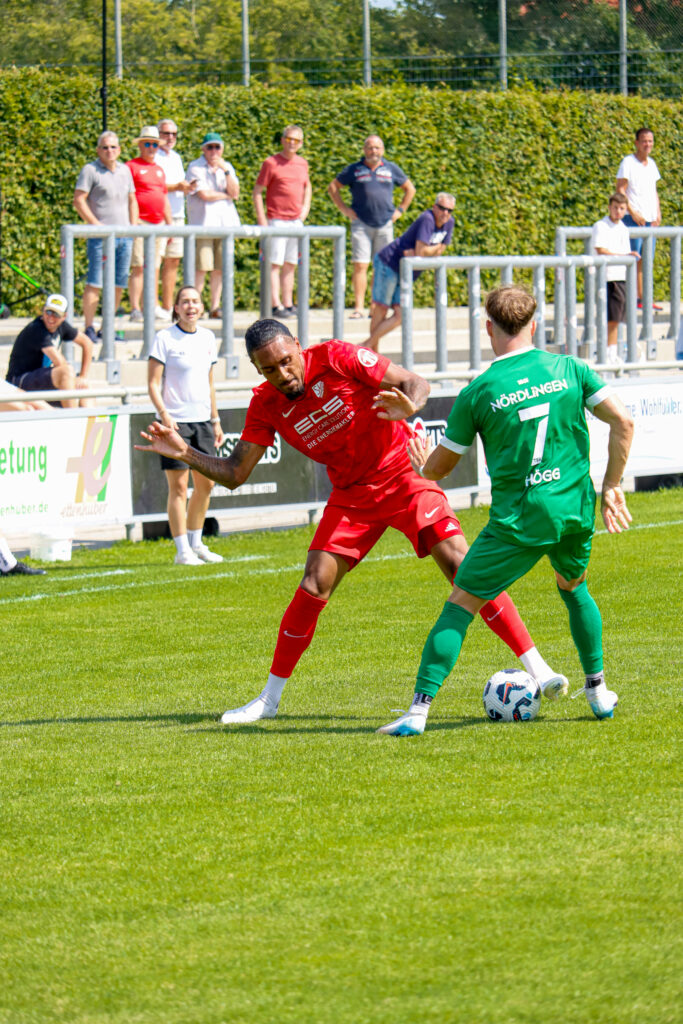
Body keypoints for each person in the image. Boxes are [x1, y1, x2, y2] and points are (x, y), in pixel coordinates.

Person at [137, 318, 568, 725]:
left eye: (287, 361)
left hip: (403, 473)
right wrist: (185, 453)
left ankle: (539, 668)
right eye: (269, 369)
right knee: (314, 583)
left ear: (298, 348)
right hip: (352, 496)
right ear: (257, 369)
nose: (283, 374)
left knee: (463, 565)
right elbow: (235, 473)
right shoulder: (265, 404)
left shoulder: (337, 357)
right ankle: (268, 700)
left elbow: (414, 383)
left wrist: (409, 405)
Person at [379, 285, 634, 737]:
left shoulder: (479, 391)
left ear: (488, 327)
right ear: (534, 324)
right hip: (573, 512)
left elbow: (438, 468)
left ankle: (417, 712)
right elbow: (623, 421)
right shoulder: (571, 369)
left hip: (517, 522)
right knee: (574, 587)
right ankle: (597, 692)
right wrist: (611, 485)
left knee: (460, 605)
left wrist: (415, 445)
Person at [147, 284, 225, 565]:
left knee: (206, 485)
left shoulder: (207, 337)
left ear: (202, 307)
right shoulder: (164, 338)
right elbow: (153, 384)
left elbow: (209, 383)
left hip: (203, 422)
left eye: (195, 301)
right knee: (179, 487)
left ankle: (196, 544)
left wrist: (215, 420)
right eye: (185, 301)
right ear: (176, 308)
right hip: (175, 425)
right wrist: (164, 415)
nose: (191, 306)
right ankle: (182, 551)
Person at [327, 136, 415, 318]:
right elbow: (333, 187)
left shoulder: (391, 169)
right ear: (364, 149)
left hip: (385, 225)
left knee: (381, 267)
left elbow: (410, 189)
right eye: (370, 147)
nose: (373, 151)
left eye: (377, 147)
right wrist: (344, 209)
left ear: (382, 150)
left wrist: (400, 210)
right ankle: (359, 308)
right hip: (361, 224)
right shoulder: (354, 169)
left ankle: (375, 308)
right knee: (360, 265)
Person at [363, 194, 455, 352]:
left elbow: (435, 250)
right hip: (389, 263)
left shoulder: (449, 223)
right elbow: (422, 252)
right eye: (442, 208)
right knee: (381, 308)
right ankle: (372, 353)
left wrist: (426, 251)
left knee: (401, 315)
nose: (445, 213)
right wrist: (433, 249)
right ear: (434, 207)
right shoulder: (427, 219)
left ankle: (367, 346)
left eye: (449, 210)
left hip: (405, 272)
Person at [73, 131, 138, 343]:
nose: (109, 151)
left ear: (119, 149)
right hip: (100, 238)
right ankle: (89, 327)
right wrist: (95, 224)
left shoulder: (125, 170)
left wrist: (133, 227)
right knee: (95, 282)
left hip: (124, 237)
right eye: (105, 147)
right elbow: (79, 200)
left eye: (113, 147)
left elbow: (132, 199)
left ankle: (107, 327)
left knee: (119, 283)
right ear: (98, 150)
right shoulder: (90, 170)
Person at [252, 126, 311, 319]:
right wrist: (262, 219)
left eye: (296, 140)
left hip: (295, 222)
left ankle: (288, 303)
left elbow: (307, 186)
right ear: (282, 140)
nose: (292, 143)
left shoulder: (302, 163)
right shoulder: (271, 163)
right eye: (289, 139)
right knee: (274, 264)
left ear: (301, 143)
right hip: (276, 220)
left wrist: (305, 209)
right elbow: (257, 191)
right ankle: (275, 304)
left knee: (291, 263)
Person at [186, 133, 240, 319]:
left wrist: (226, 172)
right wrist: (226, 195)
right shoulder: (195, 167)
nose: (214, 151)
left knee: (220, 268)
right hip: (204, 224)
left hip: (225, 225)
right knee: (201, 267)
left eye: (217, 147)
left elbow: (235, 192)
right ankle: (196, 306)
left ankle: (215, 307)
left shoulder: (227, 167)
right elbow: (205, 195)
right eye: (210, 147)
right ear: (203, 149)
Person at [5, 294, 93, 408]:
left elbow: (87, 343)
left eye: (56, 314)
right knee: (66, 372)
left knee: (84, 387)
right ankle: (73, 416)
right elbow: (60, 363)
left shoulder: (62, 326)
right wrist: (72, 380)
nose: (51, 318)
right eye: (48, 312)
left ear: (64, 316)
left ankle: (90, 418)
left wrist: (83, 376)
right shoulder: (36, 329)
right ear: (43, 311)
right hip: (19, 381)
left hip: (39, 380)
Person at [127, 126, 173, 322]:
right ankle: (135, 308)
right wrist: (132, 224)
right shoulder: (131, 167)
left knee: (154, 267)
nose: (151, 148)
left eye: (155, 144)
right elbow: (129, 197)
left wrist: (170, 225)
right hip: (140, 222)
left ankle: (151, 306)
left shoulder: (159, 170)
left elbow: (164, 197)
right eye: (147, 144)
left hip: (158, 224)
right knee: (138, 266)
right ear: (140, 145)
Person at [591, 193, 640, 365]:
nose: (618, 211)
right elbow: (601, 250)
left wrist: (627, 256)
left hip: (621, 277)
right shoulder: (600, 226)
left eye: (621, 208)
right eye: (615, 208)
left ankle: (612, 351)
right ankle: (608, 353)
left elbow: (625, 252)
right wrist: (623, 256)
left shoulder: (624, 229)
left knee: (618, 318)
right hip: (608, 277)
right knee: (611, 318)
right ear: (609, 208)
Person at [155, 118, 197, 321]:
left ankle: (167, 306)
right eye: (166, 133)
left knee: (173, 261)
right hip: (159, 216)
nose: (170, 137)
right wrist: (178, 187)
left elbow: (176, 185)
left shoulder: (177, 157)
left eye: (174, 134)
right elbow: (155, 186)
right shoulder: (154, 156)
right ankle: (152, 305)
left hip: (178, 214)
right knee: (155, 262)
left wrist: (187, 187)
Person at [616, 127, 662, 308]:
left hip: (650, 220)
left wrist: (658, 212)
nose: (647, 144)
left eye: (650, 141)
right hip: (632, 219)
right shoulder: (628, 162)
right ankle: (632, 298)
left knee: (646, 260)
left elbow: (653, 191)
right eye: (644, 141)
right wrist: (633, 212)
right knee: (633, 259)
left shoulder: (652, 164)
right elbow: (620, 189)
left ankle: (644, 299)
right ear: (637, 143)